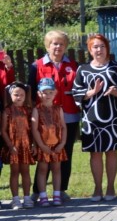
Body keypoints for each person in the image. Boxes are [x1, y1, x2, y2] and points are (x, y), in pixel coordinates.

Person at [72, 33, 117, 201]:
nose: (99, 50)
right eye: (95, 47)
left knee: (112, 152)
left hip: (113, 117)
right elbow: (76, 93)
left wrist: (116, 92)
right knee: (95, 154)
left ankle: (111, 187)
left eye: (102, 46)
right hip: (91, 118)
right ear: (90, 50)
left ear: (107, 48)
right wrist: (92, 92)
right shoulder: (83, 69)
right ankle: (97, 188)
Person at [27, 30, 79, 201]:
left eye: (61, 44)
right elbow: (31, 92)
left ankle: (61, 190)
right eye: (54, 43)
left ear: (66, 46)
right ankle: (38, 191)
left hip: (68, 116)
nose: (58, 47)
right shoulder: (36, 66)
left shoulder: (74, 65)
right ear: (48, 46)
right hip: (44, 118)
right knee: (44, 154)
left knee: (65, 153)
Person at [31, 78, 67, 207]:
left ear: (55, 93)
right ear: (39, 94)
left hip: (57, 145)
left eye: (50, 92)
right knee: (42, 169)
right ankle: (43, 196)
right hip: (43, 146)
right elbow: (34, 129)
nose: (47, 95)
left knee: (56, 169)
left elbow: (63, 127)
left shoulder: (59, 109)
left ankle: (56, 195)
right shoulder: (36, 110)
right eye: (44, 93)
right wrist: (41, 145)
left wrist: (62, 143)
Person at [2, 82, 35, 209]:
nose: (19, 97)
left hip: (25, 146)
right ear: (10, 95)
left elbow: (33, 129)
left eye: (22, 95)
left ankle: (27, 197)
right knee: (14, 172)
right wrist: (10, 146)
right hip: (13, 146)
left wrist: (33, 144)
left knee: (26, 171)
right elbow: (3, 130)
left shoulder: (28, 111)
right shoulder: (7, 111)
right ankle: (15, 199)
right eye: (16, 94)